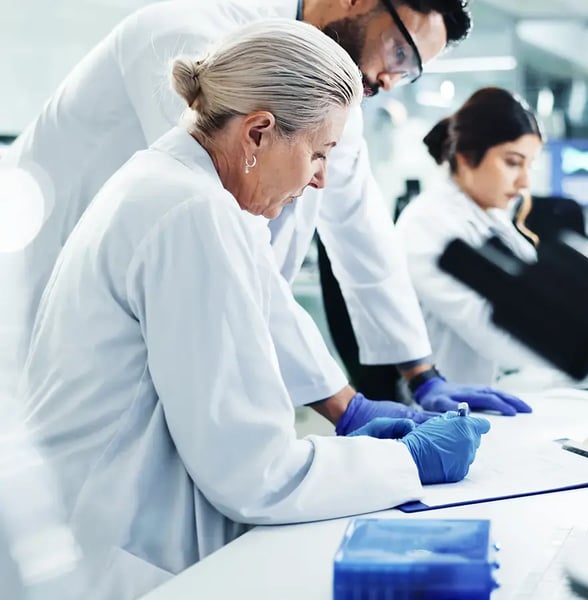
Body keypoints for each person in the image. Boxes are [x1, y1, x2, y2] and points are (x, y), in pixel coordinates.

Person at [19, 21, 491, 599]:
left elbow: (264, 307)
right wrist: (405, 463)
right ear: (259, 132)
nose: (320, 179)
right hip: (113, 561)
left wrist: (354, 413)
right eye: (319, 154)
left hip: (102, 533)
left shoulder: (180, 190)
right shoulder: (191, 213)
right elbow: (254, 475)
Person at [0, 0, 531, 424]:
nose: (393, 80)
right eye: (399, 53)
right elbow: (226, 239)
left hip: (143, 332)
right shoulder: (194, 37)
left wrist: (422, 374)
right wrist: (345, 405)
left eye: (410, 72)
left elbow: (360, 231)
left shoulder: (331, 100)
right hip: (37, 307)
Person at [396, 87, 577, 389]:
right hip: (457, 407)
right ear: (467, 157)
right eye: (512, 162)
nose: (524, 182)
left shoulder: (492, 217)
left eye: (528, 165)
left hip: (515, 386)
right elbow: (497, 333)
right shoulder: (426, 224)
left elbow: (543, 304)